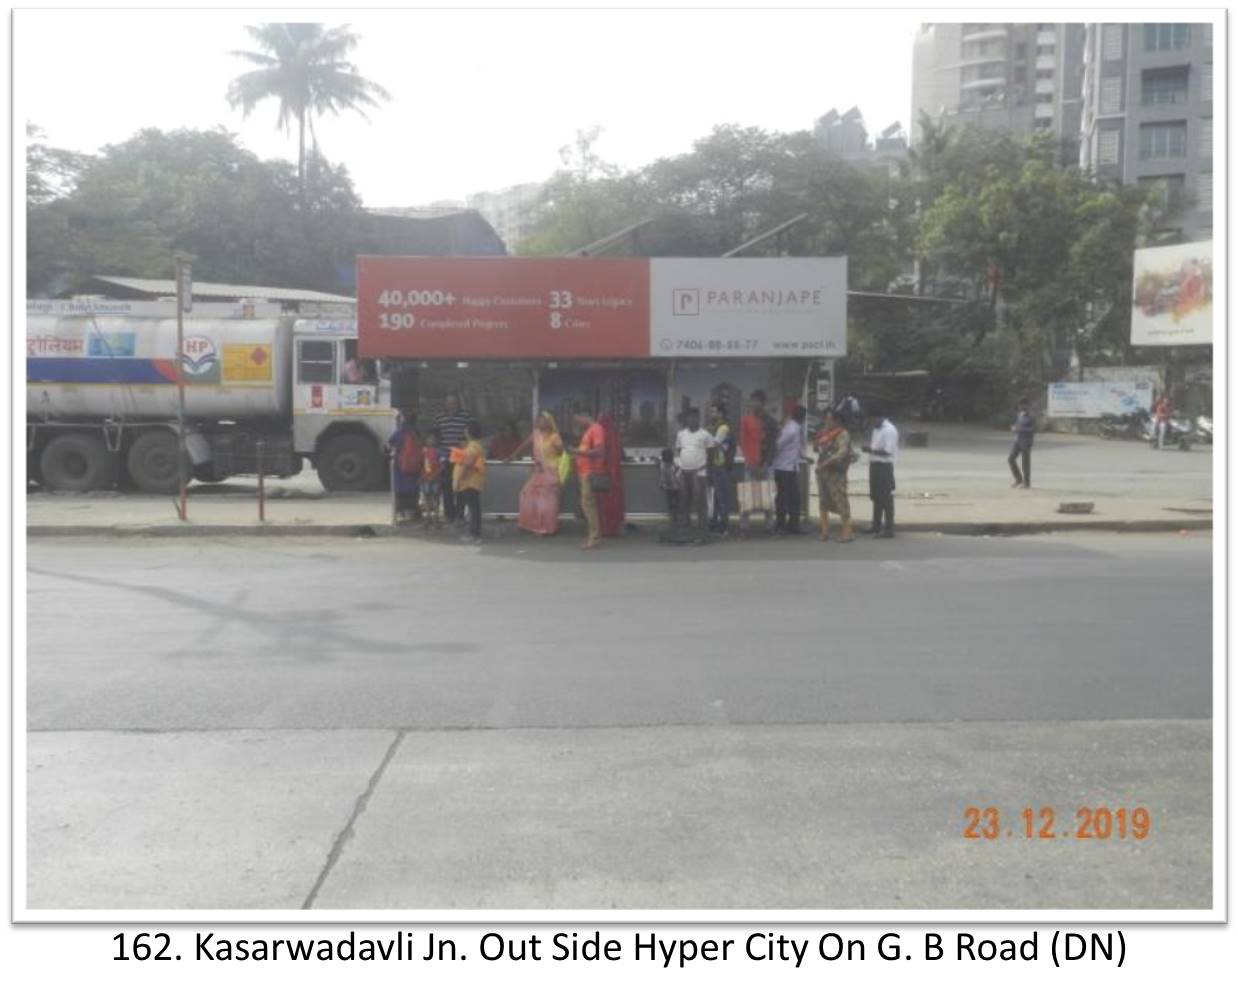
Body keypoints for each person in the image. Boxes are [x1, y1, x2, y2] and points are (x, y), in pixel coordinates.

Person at [507, 411, 564, 536]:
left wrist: (550, 463)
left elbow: (561, 453)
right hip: (538, 471)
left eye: (542, 420)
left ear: (548, 422)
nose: (539, 422)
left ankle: (548, 528)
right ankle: (531, 525)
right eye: (538, 420)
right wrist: (512, 456)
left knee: (547, 501)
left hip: (551, 471)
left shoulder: (554, 437)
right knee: (526, 494)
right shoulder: (536, 434)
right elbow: (524, 445)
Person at [674, 408, 716, 537]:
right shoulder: (681, 434)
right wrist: (680, 465)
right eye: (690, 417)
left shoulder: (705, 435)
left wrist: (705, 469)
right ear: (686, 419)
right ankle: (684, 528)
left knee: (700, 501)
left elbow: (711, 454)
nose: (692, 420)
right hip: (683, 471)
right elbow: (678, 450)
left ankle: (702, 529)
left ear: (699, 418)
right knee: (683, 500)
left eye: (695, 417)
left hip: (699, 472)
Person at [814, 409, 854, 542]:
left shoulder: (843, 434)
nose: (827, 422)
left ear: (837, 421)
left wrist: (825, 464)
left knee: (840, 500)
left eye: (829, 419)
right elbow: (817, 449)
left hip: (835, 472)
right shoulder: (825, 434)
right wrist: (819, 439)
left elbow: (841, 453)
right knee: (823, 501)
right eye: (826, 419)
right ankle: (824, 531)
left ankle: (847, 532)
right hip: (823, 472)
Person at [568, 411, 607, 551]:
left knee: (588, 505)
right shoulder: (589, 430)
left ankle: (594, 538)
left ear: (584, 417)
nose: (577, 423)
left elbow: (599, 451)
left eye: (578, 420)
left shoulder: (596, 429)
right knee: (588, 505)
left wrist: (577, 452)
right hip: (584, 471)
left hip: (590, 472)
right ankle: (594, 536)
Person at [434, 393, 472, 524]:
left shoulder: (465, 417)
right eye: (449, 403)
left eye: (454, 403)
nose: (452, 405)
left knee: (461, 487)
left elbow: (470, 434)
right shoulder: (439, 418)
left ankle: (460, 514)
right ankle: (449, 514)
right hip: (445, 458)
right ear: (445, 404)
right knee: (447, 487)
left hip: (461, 457)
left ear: (458, 404)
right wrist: (439, 455)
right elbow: (436, 437)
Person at [862, 410, 898, 538]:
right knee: (876, 497)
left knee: (886, 498)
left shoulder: (889, 430)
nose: (871, 423)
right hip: (875, 465)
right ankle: (876, 525)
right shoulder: (876, 429)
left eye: (872, 420)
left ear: (878, 417)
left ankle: (889, 528)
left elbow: (888, 452)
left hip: (884, 466)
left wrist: (871, 450)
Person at [772, 405, 807, 534]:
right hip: (783, 467)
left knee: (792, 498)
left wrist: (803, 456)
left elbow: (796, 446)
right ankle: (782, 525)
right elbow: (778, 444)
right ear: (802, 417)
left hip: (789, 467)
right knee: (785, 498)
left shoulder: (793, 427)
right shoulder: (792, 429)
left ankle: (791, 525)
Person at [451, 420, 486, 543]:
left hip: (470, 481)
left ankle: (474, 534)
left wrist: (458, 479)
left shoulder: (473, 446)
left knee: (473, 508)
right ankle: (474, 532)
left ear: (469, 432)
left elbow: (468, 464)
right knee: (473, 507)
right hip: (472, 480)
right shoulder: (476, 445)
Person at [387, 410, 422, 523]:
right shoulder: (416, 432)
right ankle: (413, 511)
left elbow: (390, 442)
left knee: (400, 488)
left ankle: (401, 512)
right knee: (413, 488)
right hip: (415, 466)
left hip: (401, 465)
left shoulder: (400, 432)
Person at [597, 413, 627, 538]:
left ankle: (605, 528)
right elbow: (622, 454)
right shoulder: (615, 434)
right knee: (615, 501)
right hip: (615, 475)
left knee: (603, 502)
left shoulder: (599, 434)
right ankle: (615, 528)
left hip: (603, 473)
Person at [708, 402, 736, 535]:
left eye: (714, 412)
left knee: (722, 498)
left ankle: (723, 527)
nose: (712, 414)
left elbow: (714, 444)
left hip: (720, 466)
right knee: (718, 498)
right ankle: (716, 524)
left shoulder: (723, 427)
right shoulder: (716, 426)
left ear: (720, 413)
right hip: (717, 466)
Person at [1009, 397, 1035, 488]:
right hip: (1018, 440)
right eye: (1019, 405)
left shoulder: (1031, 416)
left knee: (1025, 463)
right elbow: (1018, 425)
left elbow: (1032, 429)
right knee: (1011, 459)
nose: (1020, 407)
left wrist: (1019, 429)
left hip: (1026, 441)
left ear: (1027, 405)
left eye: (1022, 405)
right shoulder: (1019, 415)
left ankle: (1026, 483)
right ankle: (1018, 479)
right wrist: (1014, 427)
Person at [420, 432, 442, 527]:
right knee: (427, 497)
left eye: (433, 438)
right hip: (425, 478)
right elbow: (420, 464)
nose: (431, 440)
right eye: (429, 438)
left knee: (435, 497)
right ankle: (428, 516)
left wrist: (437, 474)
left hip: (435, 478)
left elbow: (442, 465)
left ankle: (436, 516)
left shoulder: (439, 452)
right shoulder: (423, 452)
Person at [658, 447, 682, 525]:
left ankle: (674, 517)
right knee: (677, 502)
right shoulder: (676, 463)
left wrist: (662, 484)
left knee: (671, 502)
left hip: (670, 486)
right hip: (676, 486)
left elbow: (663, 476)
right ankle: (676, 517)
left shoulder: (663, 464)